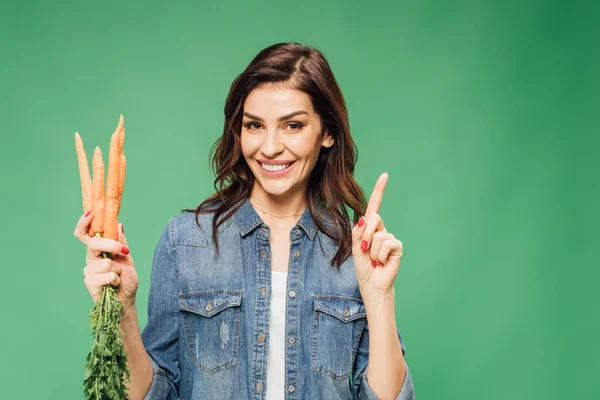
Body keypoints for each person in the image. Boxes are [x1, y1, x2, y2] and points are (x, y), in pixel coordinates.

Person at [74, 42, 415, 400]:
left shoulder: (354, 251)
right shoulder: (185, 241)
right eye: (254, 125)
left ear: (326, 133)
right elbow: (153, 393)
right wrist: (123, 306)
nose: (269, 147)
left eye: (292, 125)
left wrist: (379, 296)